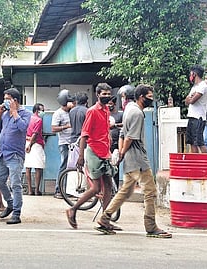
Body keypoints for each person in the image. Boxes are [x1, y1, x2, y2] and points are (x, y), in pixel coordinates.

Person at [97, 84, 172, 238]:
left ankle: (105, 218)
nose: (151, 100)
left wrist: (122, 155)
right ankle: (151, 226)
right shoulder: (137, 113)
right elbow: (130, 137)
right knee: (150, 192)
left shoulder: (128, 109)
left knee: (126, 191)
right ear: (140, 97)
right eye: (149, 97)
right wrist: (123, 153)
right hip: (138, 159)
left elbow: (123, 134)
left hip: (131, 159)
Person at [65, 83, 116, 229]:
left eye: (108, 94)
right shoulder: (92, 111)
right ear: (97, 94)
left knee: (108, 187)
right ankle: (73, 209)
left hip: (105, 152)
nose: (106, 96)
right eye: (104, 94)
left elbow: (104, 130)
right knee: (95, 188)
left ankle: (105, 219)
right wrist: (81, 156)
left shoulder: (106, 110)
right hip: (93, 152)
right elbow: (84, 135)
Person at [0, 88, 31, 225]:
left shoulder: (25, 114)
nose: (5, 101)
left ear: (15, 100)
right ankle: (10, 203)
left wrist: (14, 112)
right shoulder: (5, 115)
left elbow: (23, 128)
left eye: (7, 99)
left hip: (15, 154)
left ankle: (16, 213)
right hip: (3, 153)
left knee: (15, 184)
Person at [51, 89, 74, 198]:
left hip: (73, 143)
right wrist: (66, 126)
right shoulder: (58, 113)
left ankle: (70, 190)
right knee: (64, 166)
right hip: (64, 143)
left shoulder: (72, 112)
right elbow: (53, 129)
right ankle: (58, 190)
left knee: (72, 167)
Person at [185, 65, 207, 153]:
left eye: (191, 73)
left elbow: (192, 101)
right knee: (191, 142)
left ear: (194, 74)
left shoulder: (202, 86)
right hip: (191, 117)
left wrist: (190, 99)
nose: (190, 75)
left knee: (199, 142)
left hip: (199, 118)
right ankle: (195, 164)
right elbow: (186, 101)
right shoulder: (194, 87)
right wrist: (189, 99)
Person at [24, 103, 45, 196]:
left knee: (28, 167)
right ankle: (36, 190)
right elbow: (35, 134)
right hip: (35, 144)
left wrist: (28, 143)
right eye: (42, 110)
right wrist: (31, 145)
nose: (43, 112)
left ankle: (29, 190)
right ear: (37, 110)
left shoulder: (28, 119)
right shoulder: (39, 120)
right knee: (38, 167)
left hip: (27, 141)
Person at [108, 96, 123, 187]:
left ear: (114, 104)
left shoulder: (119, 115)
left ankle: (115, 187)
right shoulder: (105, 114)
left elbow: (124, 124)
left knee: (115, 167)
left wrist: (115, 125)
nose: (109, 106)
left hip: (116, 144)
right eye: (108, 104)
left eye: (111, 104)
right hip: (106, 144)